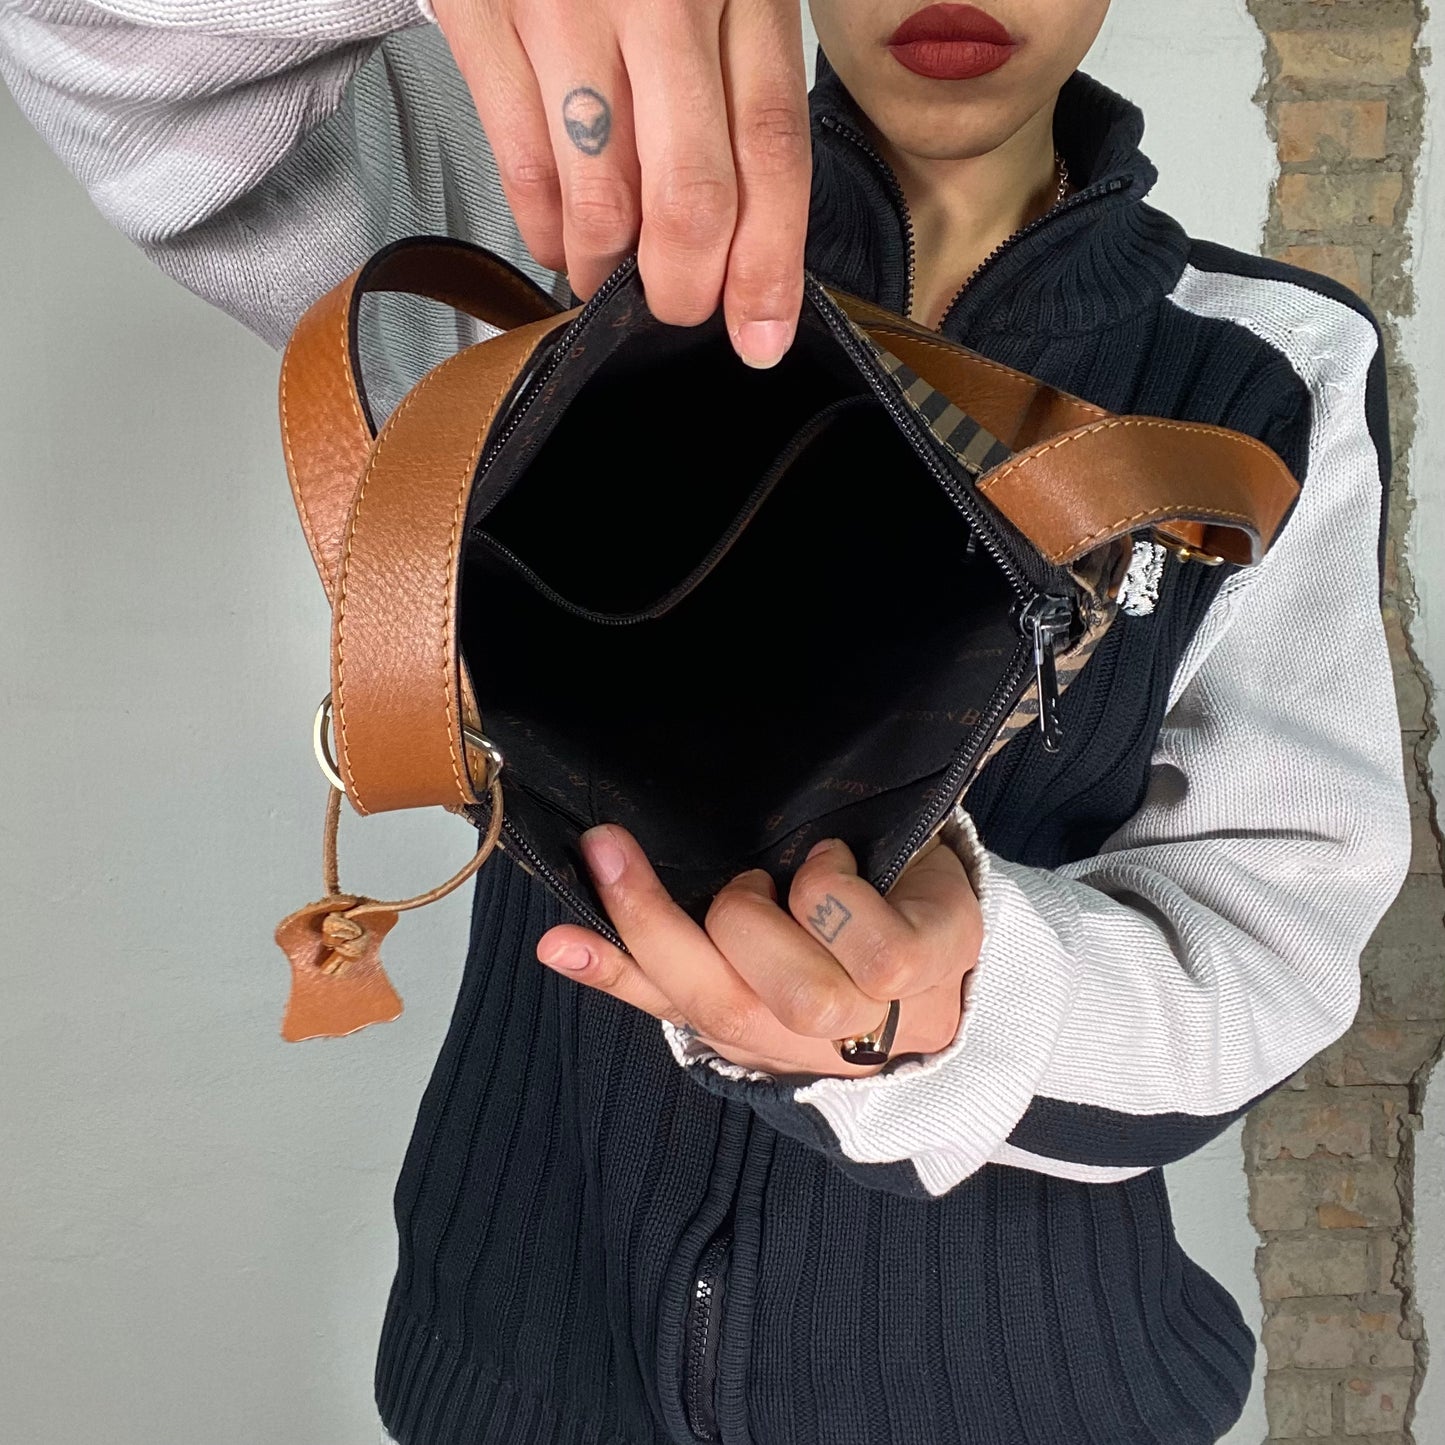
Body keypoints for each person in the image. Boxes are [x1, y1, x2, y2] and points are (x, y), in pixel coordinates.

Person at [0, 2, 1411, 1441]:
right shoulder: (553, 194)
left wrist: (957, 998)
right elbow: (91, 50)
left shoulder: (1261, 375)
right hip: (525, 1365)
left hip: (1020, 1389)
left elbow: (1266, 940)